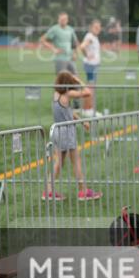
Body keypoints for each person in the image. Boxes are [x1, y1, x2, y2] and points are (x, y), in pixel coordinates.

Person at [47, 71, 101, 201]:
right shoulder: (68, 94)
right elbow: (88, 92)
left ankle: (48, 191)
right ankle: (83, 191)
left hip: (57, 130)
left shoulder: (56, 95)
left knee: (59, 162)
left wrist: (81, 121)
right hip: (67, 132)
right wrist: (79, 81)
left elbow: (68, 111)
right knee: (75, 161)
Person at [78, 19, 102, 115]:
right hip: (91, 65)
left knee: (91, 86)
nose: (98, 29)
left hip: (94, 65)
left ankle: (87, 108)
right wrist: (87, 55)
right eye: (95, 27)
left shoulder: (94, 37)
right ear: (91, 27)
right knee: (90, 87)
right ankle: (88, 109)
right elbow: (82, 46)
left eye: (99, 27)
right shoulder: (90, 36)